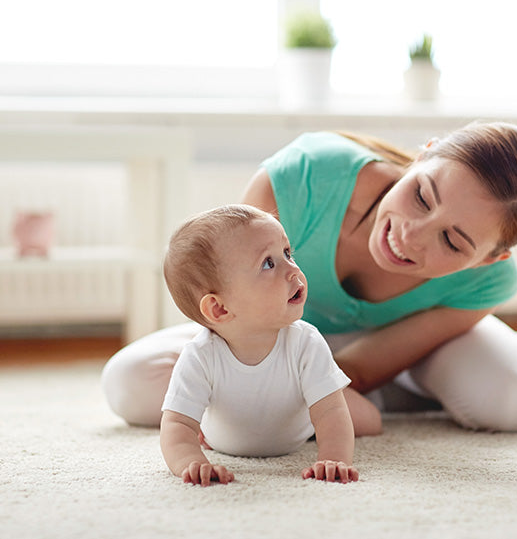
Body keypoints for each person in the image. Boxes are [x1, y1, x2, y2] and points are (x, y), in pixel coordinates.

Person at [102, 121, 517, 435]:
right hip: (269, 331)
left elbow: (363, 369)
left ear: (491, 258)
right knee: (131, 382)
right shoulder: (303, 177)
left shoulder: (488, 282)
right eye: (422, 197)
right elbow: (234, 304)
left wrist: (276, 402)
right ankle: (400, 397)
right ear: (420, 158)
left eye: (453, 242)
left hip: (404, 350)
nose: (411, 234)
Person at [159, 204, 378, 486]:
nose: (293, 270)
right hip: (222, 441)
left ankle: (350, 396)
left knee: (369, 421)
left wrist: (334, 458)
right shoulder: (200, 356)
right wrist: (192, 462)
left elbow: (330, 412)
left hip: (300, 431)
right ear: (219, 309)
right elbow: (177, 425)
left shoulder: (306, 341)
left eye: (287, 253)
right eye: (268, 263)